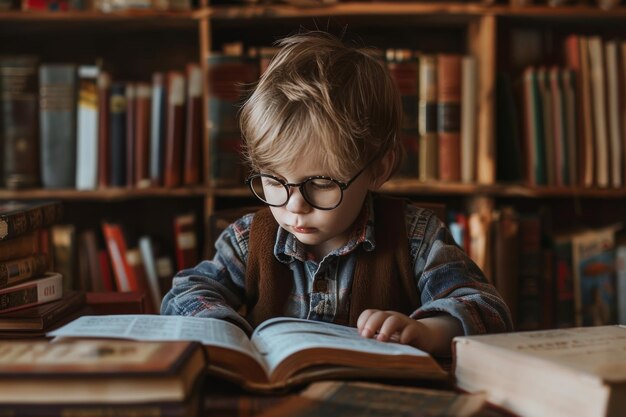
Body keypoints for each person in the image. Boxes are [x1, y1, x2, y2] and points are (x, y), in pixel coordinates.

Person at [161, 31, 512, 356]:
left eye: (322, 183)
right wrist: (228, 331)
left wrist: (426, 331)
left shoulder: (416, 238)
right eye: (273, 180)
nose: (294, 205)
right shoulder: (246, 239)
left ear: (378, 168)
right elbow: (184, 295)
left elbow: (488, 311)